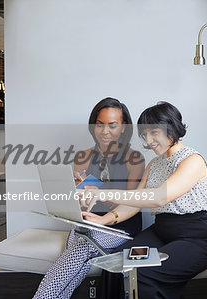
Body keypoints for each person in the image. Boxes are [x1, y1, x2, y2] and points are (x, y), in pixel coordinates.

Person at [81, 101, 207, 299]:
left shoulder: (192, 160)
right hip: (162, 231)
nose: (149, 140)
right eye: (144, 135)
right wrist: (103, 220)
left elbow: (158, 198)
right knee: (114, 263)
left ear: (171, 127)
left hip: (196, 237)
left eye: (154, 132)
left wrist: (105, 193)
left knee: (142, 273)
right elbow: (134, 202)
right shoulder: (154, 164)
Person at [33, 97, 144, 299]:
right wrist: (78, 193)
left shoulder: (133, 159)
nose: (104, 131)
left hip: (120, 225)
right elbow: (78, 204)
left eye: (112, 125)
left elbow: (130, 203)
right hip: (87, 223)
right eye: (99, 124)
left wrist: (97, 190)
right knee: (81, 258)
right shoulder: (82, 157)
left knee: (82, 246)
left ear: (123, 127)